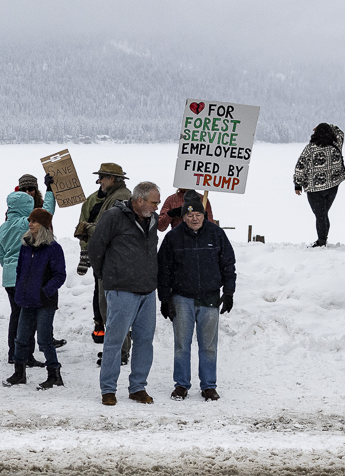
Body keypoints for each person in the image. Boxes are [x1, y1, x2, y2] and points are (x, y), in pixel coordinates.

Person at [86, 181, 161, 406]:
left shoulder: (153, 219)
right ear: (139, 200)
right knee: (115, 341)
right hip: (121, 289)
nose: (157, 207)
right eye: (154, 202)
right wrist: (106, 277)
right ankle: (108, 389)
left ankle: (138, 387)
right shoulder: (113, 217)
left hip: (147, 290)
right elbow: (95, 247)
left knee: (145, 341)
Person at [157, 189, 235, 399]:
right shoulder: (173, 237)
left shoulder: (216, 234)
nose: (194, 218)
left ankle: (208, 385)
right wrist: (165, 298)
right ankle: (181, 384)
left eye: (198, 214)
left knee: (208, 346)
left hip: (210, 297)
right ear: (183, 217)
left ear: (204, 215)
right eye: (189, 215)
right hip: (182, 297)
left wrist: (229, 292)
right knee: (182, 344)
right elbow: (163, 269)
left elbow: (228, 264)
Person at [3, 207, 65, 389]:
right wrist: (21, 288)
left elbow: (59, 275)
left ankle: (54, 374)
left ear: (44, 226)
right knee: (21, 338)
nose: (30, 223)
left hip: (45, 302)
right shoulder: (25, 246)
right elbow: (20, 270)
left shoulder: (54, 248)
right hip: (26, 300)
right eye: (30, 220)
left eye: (34, 221)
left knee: (44, 339)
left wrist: (45, 291)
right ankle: (19, 373)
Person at [73, 163, 132, 352]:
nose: (100, 181)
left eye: (102, 177)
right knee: (108, 308)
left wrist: (88, 229)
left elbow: (113, 229)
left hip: (114, 262)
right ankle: (117, 349)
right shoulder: (112, 196)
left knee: (112, 310)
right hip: (108, 259)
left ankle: (119, 351)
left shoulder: (120, 197)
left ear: (111, 179)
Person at [0, 187, 35, 366]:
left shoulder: (2, 228)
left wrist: (9, 267)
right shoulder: (24, 224)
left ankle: (13, 352)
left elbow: (2, 255)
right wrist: (50, 192)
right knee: (27, 316)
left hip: (9, 277)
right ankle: (24, 354)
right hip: (24, 275)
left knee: (16, 314)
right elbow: (47, 214)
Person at [291, 124, 345, 246]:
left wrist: (297, 185)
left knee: (321, 215)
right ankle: (323, 239)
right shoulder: (336, 144)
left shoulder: (310, 149)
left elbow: (300, 166)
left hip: (314, 189)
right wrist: (329, 126)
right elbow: (340, 132)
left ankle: (321, 242)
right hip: (333, 186)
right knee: (323, 214)